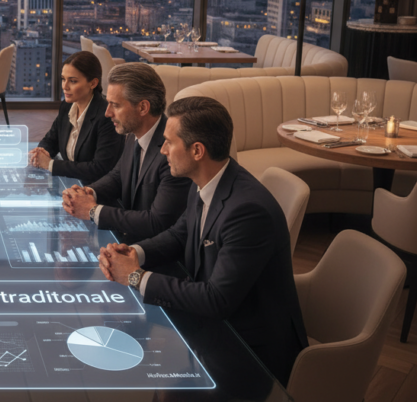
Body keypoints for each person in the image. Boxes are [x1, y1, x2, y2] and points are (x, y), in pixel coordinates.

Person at [98, 96, 307, 386]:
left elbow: (216, 299)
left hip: (251, 356)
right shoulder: (208, 180)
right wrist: (134, 252)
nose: (163, 150)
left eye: (170, 142)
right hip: (210, 331)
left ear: (197, 150)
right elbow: (179, 233)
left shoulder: (248, 212)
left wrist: (135, 276)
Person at [61, 63, 189, 243]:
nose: (107, 113)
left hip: (158, 254)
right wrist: (88, 192)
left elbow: (156, 222)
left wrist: (92, 211)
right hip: (130, 239)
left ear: (143, 108)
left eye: (115, 105)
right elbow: (118, 176)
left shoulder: (173, 152)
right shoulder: (134, 133)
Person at [29, 51, 123, 183]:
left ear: (93, 83)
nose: (65, 86)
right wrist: (41, 152)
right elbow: (51, 139)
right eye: (63, 79)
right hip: (71, 183)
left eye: (72, 81)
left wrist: (50, 164)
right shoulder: (67, 106)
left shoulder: (106, 116)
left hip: (96, 190)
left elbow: (100, 168)